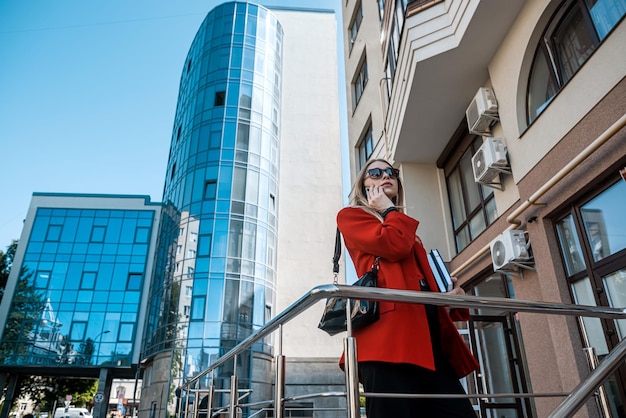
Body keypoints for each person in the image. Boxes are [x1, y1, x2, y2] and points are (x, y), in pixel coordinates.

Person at [337, 158, 479, 418]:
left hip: (429, 345)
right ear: (363, 185)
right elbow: (392, 246)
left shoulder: (405, 229)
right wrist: (389, 210)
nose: (385, 176)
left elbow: (417, 280)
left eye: (391, 173)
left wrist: (450, 296)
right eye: (376, 173)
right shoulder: (351, 216)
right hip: (388, 346)